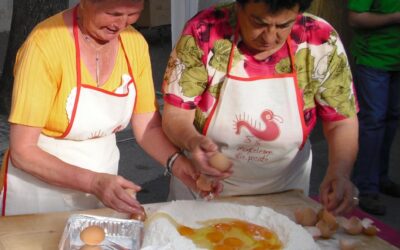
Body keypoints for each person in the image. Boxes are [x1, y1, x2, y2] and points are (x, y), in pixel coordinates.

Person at [0, 0, 198, 216]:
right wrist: (93, 182)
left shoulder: (134, 43)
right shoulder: (45, 45)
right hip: (40, 191)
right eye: (113, 13)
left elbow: (147, 127)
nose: (121, 24)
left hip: (104, 181)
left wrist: (178, 163)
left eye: (133, 14)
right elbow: (23, 151)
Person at [162, 0, 360, 215]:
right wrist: (192, 140)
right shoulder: (204, 30)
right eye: (258, 22)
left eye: (284, 25)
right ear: (239, 7)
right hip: (204, 187)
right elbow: (176, 115)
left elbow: (341, 120)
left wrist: (339, 171)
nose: (269, 37)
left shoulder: (320, 39)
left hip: (285, 191)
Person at [348, 0, 400, 215]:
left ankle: (380, 177)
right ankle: (365, 187)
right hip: (373, 60)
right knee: (373, 121)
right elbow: (355, 18)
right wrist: (396, 17)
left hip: (397, 62)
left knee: (392, 119)